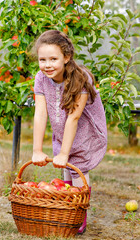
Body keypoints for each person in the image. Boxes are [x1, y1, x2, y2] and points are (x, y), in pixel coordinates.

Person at [31, 30, 107, 234]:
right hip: (61, 127)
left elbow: (74, 117)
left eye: (53, 59)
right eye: (42, 59)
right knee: (65, 167)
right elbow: (40, 114)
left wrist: (65, 153)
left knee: (77, 165)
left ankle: (78, 212)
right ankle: (67, 209)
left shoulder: (81, 78)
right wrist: (37, 149)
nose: (47, 64)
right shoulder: (40, 78)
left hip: (84, 130)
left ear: (66, 57)